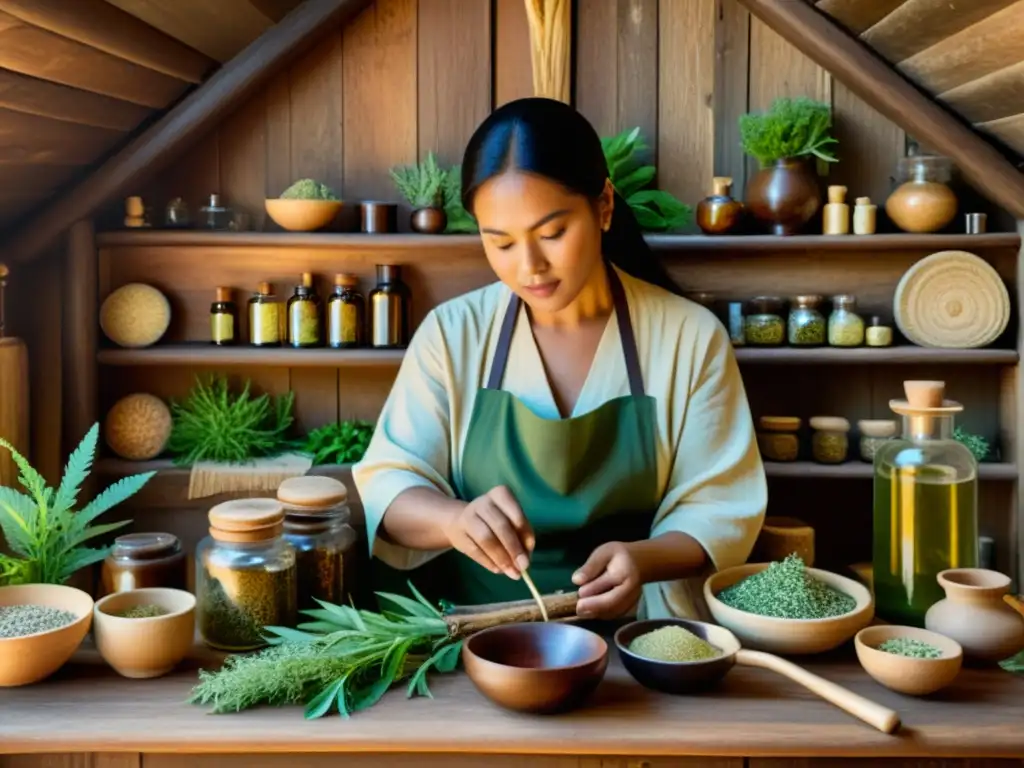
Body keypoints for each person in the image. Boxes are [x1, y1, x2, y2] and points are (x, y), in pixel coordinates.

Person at [353, 97, 766, 620]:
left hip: (635, 640)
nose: (529, 267)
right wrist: (454, 520)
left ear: (604, 206)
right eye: (499, 242)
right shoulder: (453, 334)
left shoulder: (688, 337)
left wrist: (640, 559)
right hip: (471, 642)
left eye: (552, 234)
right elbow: (388, 485)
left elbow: (721, 507)